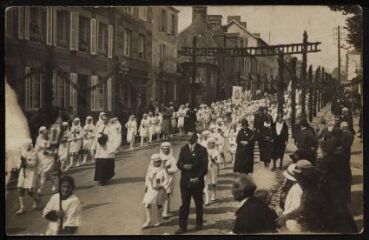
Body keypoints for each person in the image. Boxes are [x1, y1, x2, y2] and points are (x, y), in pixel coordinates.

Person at [277, 160, 330, 233]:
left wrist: (286, 216)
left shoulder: (310, 189)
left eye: (298, 176)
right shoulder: (311, 185)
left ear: (303, 177)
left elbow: (304, 208)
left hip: (317, 224)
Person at [176, 132, 208, 234]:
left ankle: (199, 223)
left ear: (196, 138)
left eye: (190, 136)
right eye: (187, 136)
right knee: (184, 205)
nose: (188, 138)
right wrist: (183, 166)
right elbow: (178, 163)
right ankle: (182, 227)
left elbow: (204, 167)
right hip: (185, 182)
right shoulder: (183, 149)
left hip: (197, 182)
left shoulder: (202, 150)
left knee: (198, 203)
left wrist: (198, 177)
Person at [93, 113, 121, 186]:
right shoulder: (100, 126)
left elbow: (115, 137)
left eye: (106, 119)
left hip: (108, 146)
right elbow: (96, 137)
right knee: (100, 163)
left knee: (106, 163)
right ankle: (100, 179)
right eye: (103, 119)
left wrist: (107, 138)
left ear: (108, 119)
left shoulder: (112, 127)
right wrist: (94, 146)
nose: (104, 121)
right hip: (100, 148)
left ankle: (106, 178)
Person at [15, 139, 41, 215]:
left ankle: (36, 199)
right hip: (23, 173)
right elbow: (19, 165)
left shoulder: (34, 153)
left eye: (27, 145)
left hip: (31, 173)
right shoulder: (23, 153)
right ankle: (22, 207)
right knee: (20, 189)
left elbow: (33, 164)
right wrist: (20, 164)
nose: (26, 147)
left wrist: (25, 161)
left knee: (29, 191)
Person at [142, 153, 168, 228]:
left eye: (159, 161)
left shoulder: (163, 170)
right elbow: (147, 178)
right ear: (152, 162)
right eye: (156, 161)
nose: (158, 163)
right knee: (147, 203)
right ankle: (148, 220)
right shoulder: (150, 169)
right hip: (151, 189)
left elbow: (166, 180)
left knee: (159, 204)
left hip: (159, 190)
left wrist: (161, 185)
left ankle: (159, 220)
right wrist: (146, 186)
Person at [280, 163, 303, 232]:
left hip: (292, 222)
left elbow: (295, 207)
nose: (286, 180)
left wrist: (284, 216)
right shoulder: (297, 187)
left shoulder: (296, 189)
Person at [36, 126, 58, 195]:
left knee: (44, 173)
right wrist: (52, 152)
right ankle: (55, 183)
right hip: (41, 158)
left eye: (46, 131)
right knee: (45, 173)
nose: (45, 132)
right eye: (43, 131)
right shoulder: (39, 139)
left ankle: (40, 189)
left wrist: (53, 151)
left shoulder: (49, 138)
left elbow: (52, 146)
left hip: (48, 158)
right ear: (41, 132)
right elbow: (43, 151)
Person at [159, 142, 177, 219]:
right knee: (162, 194)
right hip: (160, 178)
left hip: (169, 178)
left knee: (168, 193)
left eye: (167, 149)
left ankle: (165, 212)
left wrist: (168, 169)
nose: (166, 151)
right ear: (161, 149)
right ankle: (166, 209)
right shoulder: (158, 158)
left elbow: (175, 169)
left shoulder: (172, 158)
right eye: (164, 149)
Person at [339, 121, 354, 204]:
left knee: (345, 170)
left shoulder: (348, 134)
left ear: (344, 127)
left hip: (344, 155)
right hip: (344, 154)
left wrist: (338, 148)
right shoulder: (345, 133)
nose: (340, 127)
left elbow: (345, 145)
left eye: (341, 126)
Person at [204, 138, 222, 205]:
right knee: (207, 184)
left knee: (213, 183)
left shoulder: (216, 152)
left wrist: (215, 161)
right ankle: (207, 199)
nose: (212, 144)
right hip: (206, 169)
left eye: (213, 143)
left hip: (214, 168)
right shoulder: (205, 151)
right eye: (210, 143)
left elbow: (220, 161)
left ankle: (213, 194)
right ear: (208, 144)